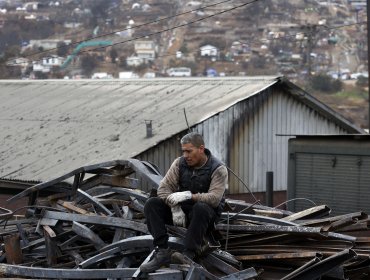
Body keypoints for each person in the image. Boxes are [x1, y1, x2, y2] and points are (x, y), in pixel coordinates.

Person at [140, 132, 228, 273]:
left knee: (201, 208)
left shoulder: (218, 169)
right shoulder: (179, 164)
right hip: (182, 212)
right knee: (152, 204)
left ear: (201, 149)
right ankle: (162, 251)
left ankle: (189, 254)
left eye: (189, 151)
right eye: (183, 151)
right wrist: (174, 207)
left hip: (206, 216)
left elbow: (214, 199)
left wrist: (189, 196)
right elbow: (163, 189)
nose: (185, 155)